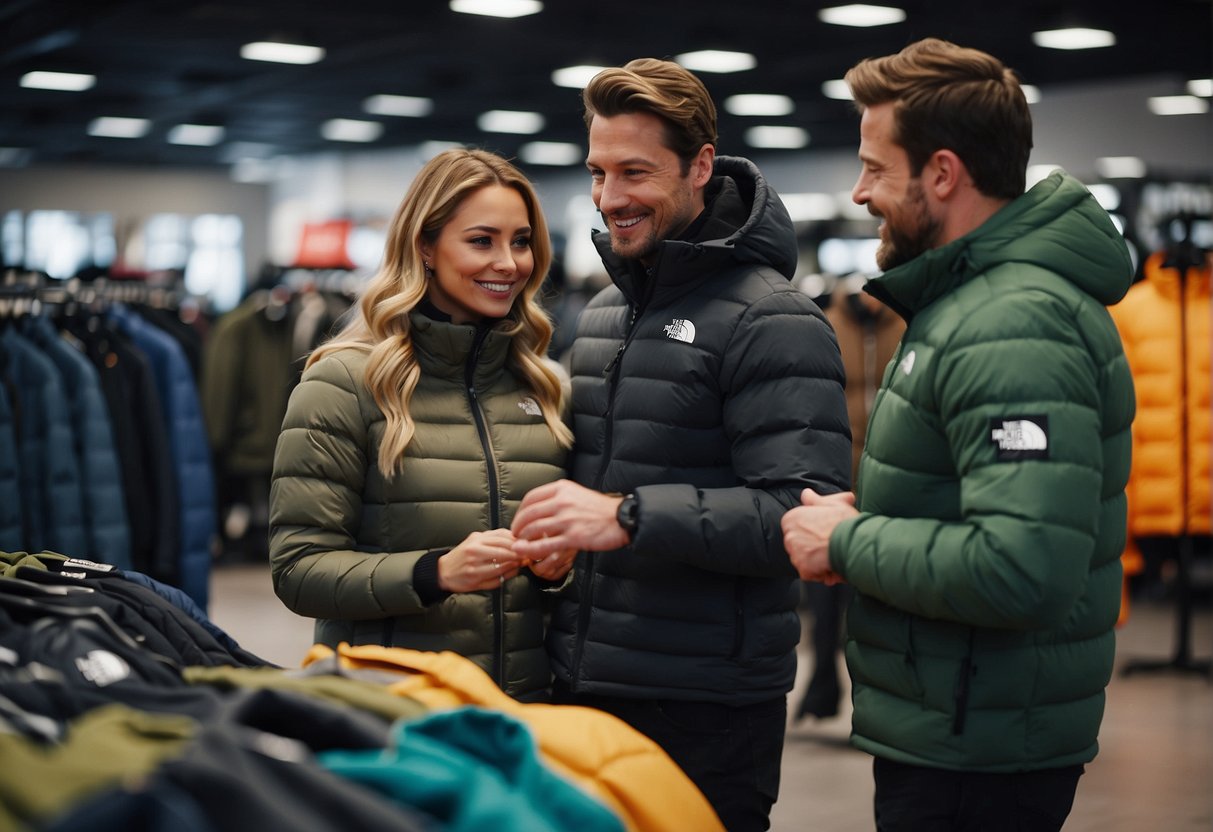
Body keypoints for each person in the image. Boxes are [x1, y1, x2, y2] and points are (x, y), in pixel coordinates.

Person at [781, 38, 1135, 831]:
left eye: (875, 167)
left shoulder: (1009, 322)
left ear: (941, 173)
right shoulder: (966, 306)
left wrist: (847, 542)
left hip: (978, 746)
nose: (859, 190)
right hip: (960, 722)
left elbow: (1020, 568)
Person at [510, 58, 852, 831]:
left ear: (701, 165)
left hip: (707, 706)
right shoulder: (603, 312)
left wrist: (626, 516)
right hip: (585, 685)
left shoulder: (774, 319)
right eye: (598, 172)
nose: (610, 198)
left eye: (635, 171)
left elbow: (796, 521)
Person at [268, 148, 574, 702]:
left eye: (521, 241)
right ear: (426, 247)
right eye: (482, 240)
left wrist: (559, 569)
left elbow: (565, 577)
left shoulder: (543, 387)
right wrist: (435, 573)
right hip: (393, 707)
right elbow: (298, 569)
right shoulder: (344, 383)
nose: (508, 262)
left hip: (525, 710)